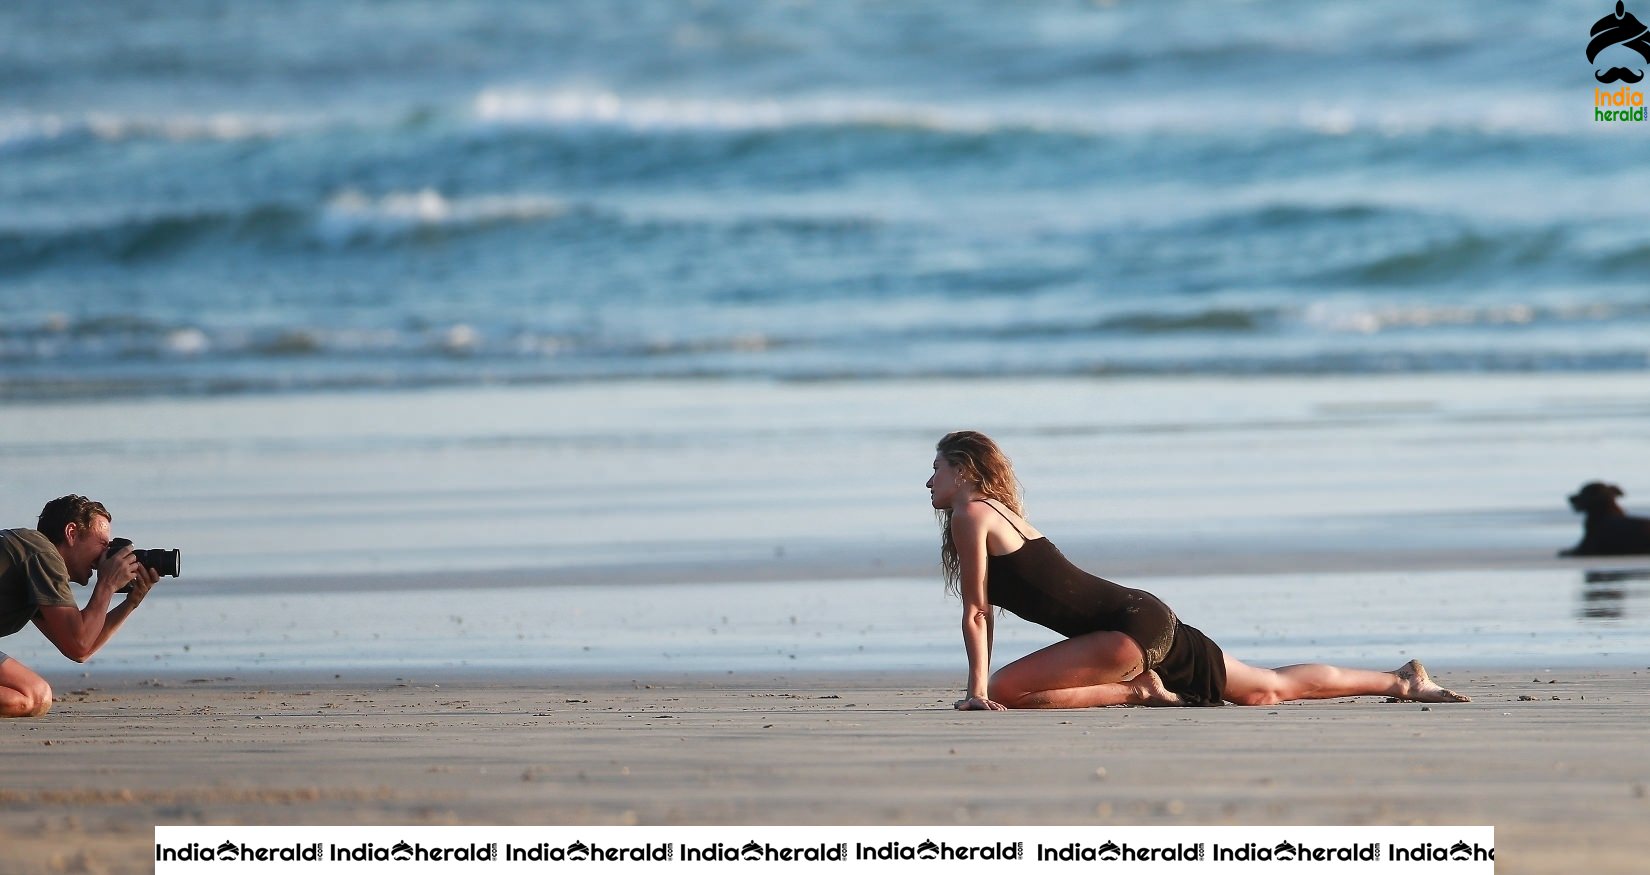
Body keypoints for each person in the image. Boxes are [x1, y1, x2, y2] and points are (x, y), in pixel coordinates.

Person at [927, 431, 1469, 710]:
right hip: (1144, 616)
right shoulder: (1000, 514)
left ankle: (1140, 691)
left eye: (936, 470)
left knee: (1005, 689)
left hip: (1123, 634)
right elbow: (986, 611)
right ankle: (1402, 683)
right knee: (1266, 689)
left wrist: (977, 689)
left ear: (965, 472)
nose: (930, 483)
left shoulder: (971, 514)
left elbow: (978, 611)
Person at [1, 495, 160, 718]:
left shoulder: (30, 557)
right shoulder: (41, 553)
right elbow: (79, 643)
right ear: (72, 533)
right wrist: (107, 583)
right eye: (103, 544)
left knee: (34, 694)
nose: (105, 557)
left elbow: (80, 649)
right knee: (34, 696)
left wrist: (131, 602)